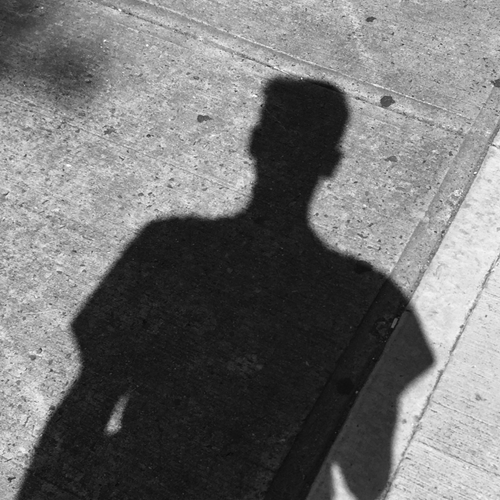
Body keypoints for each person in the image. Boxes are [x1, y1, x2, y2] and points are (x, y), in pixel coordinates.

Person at [18, 77, 432, 500]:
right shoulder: (361, 291)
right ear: (331, 163)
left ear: (255, 143)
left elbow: (94, 381)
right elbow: (367, 476)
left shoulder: (167, 241)